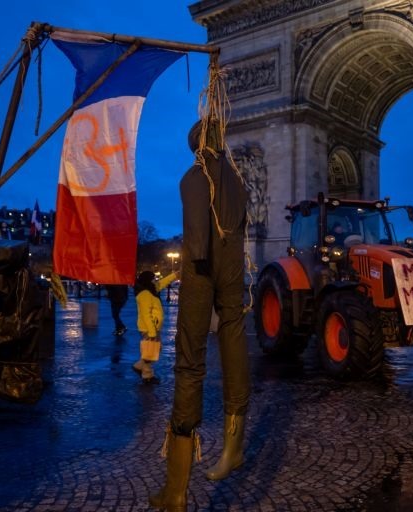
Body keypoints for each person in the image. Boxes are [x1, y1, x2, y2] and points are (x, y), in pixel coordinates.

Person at [150, 119, 250, 510]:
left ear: (196, 145)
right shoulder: (238, 180)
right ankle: (233, 446)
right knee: (234, 335)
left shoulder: (195, 177)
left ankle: (176, 491)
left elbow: (195, 235)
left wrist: (196, 262)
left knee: (190, 363)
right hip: (233, 268)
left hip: (201, 269)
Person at [133, 270, 178, 384]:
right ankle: (144, 372)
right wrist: (152, 332)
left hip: (153, 327)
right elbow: (146, 315)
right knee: (151, 350)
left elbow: (162, 283)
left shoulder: (151, 290)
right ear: (148, 280)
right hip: (148, 328)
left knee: (152, 350)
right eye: (153, 279)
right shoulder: (144, 294)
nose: (155, 280)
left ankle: (143, 371)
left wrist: (175, 275)